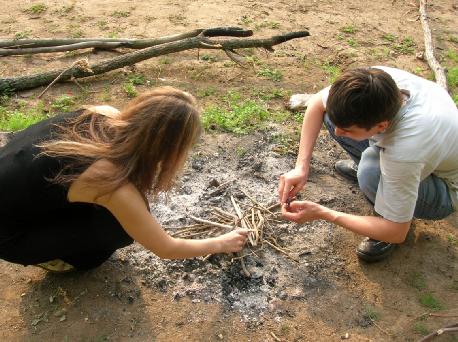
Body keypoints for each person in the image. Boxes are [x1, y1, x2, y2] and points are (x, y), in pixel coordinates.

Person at [0, 87, 248, 272]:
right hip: (9, 236)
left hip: (10, 183)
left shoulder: (101, 113)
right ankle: (55, 260)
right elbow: (165, 248)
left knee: (123, 209)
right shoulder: (106, 178)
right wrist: (221, 243)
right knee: (117, 232)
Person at [279, 66, 458, 262]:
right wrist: (301, 166)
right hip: (425, 154)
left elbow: (397, 231)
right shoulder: (373, 83)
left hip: (445, 190)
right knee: (332, 116)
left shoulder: (406, 150)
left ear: (381, 126)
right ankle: (383, 184)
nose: (336, 133)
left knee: (371, 173)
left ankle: (384, 219)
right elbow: (316, 104)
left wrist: (324, 213)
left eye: (346, 130)